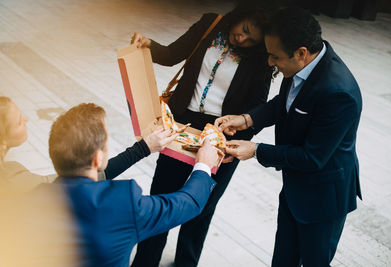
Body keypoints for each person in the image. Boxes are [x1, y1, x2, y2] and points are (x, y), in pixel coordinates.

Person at [130, 1, 278, 266]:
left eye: (250, 39)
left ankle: (186, 262)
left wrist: (239, 142)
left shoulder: (260, 59)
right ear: (238, 17)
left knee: (202, 207)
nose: (241, 38)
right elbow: (171, 54)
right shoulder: (210, 24)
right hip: (182, 125)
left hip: (222, 134)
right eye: (242, 29)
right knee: (163, 196)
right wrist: (147, 44)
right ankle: (145, 261)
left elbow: (258, 108)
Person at [215, 7, 362, 267]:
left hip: (324, 198)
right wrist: (246, 119)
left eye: (274, 56)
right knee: (283, 259)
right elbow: (283, 103)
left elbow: (312, 157)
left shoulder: (339, 93)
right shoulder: (298, 65)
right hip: (295, 189)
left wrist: (256, 150)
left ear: (301, 53)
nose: (269, 62)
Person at [34, 103, 220, 267]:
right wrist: (203, 165)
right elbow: (186, 204)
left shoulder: (29, 197)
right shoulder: (122, 204)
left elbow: (94, 175)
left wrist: (143, 148)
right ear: (98, 158)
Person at [0, 96, 175, 195]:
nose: (26, 119)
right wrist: (142, 149)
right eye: (17, 123)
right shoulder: (11, 180)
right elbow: (74, 179)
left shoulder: (12, 173)